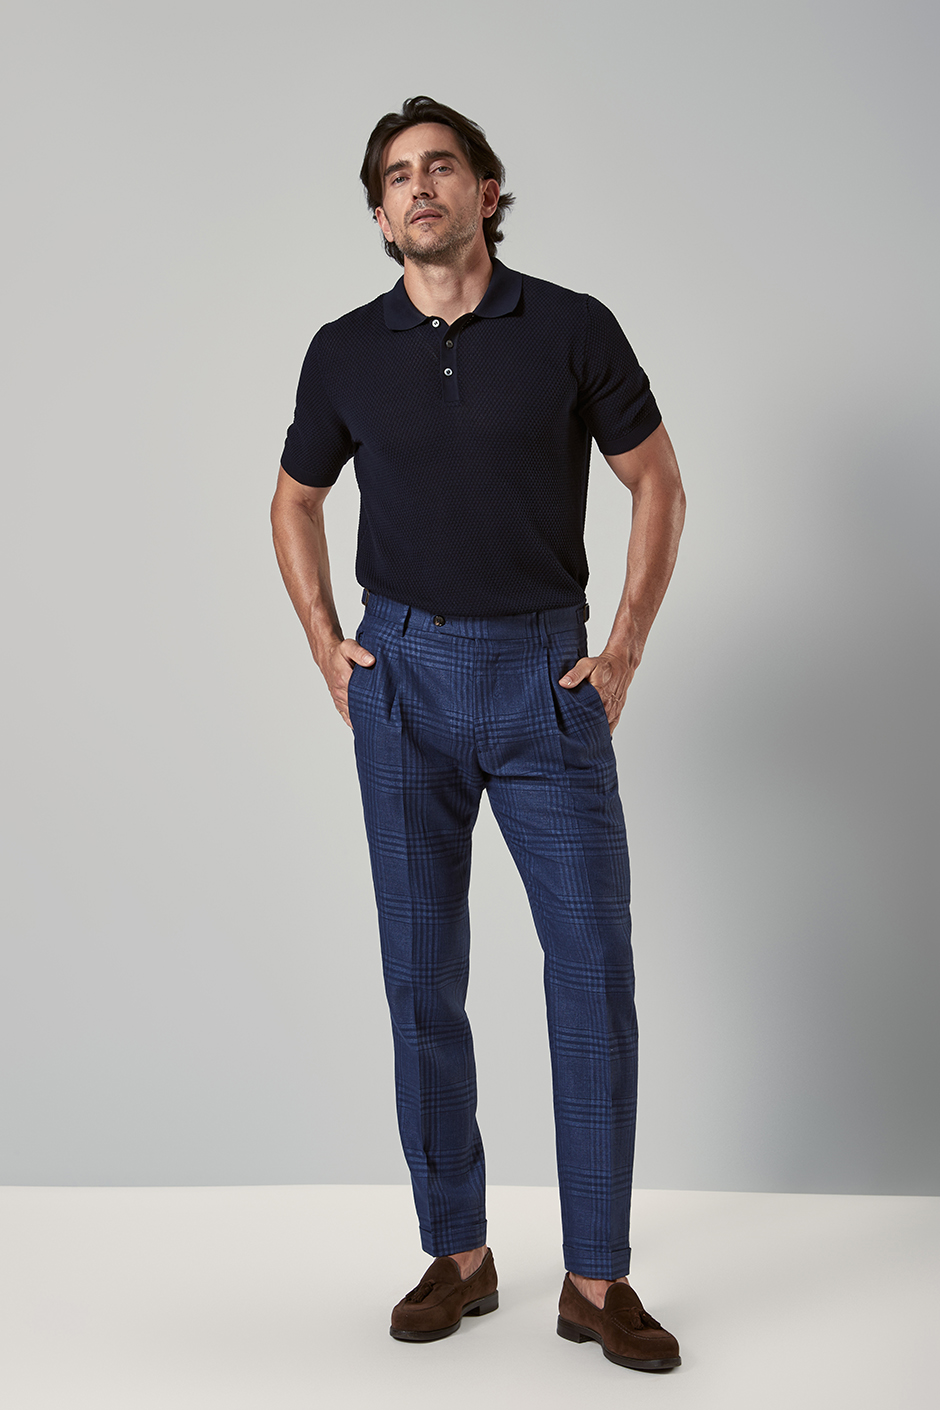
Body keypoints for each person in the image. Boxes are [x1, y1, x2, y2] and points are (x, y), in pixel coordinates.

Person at [271, 95, 686, 1372]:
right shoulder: (345, 349)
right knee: (419, 973)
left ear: (485, 192)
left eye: (440, 166)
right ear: (378, 213)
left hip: (542, 678)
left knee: (591, 973)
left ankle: (597, 1278)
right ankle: (457, 1253)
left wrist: (622, 649)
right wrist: (325, 639)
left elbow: (657, 479)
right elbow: (293, 499)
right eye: (396, 176)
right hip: (400, 680)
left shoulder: (569, 326)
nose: (419, 187)